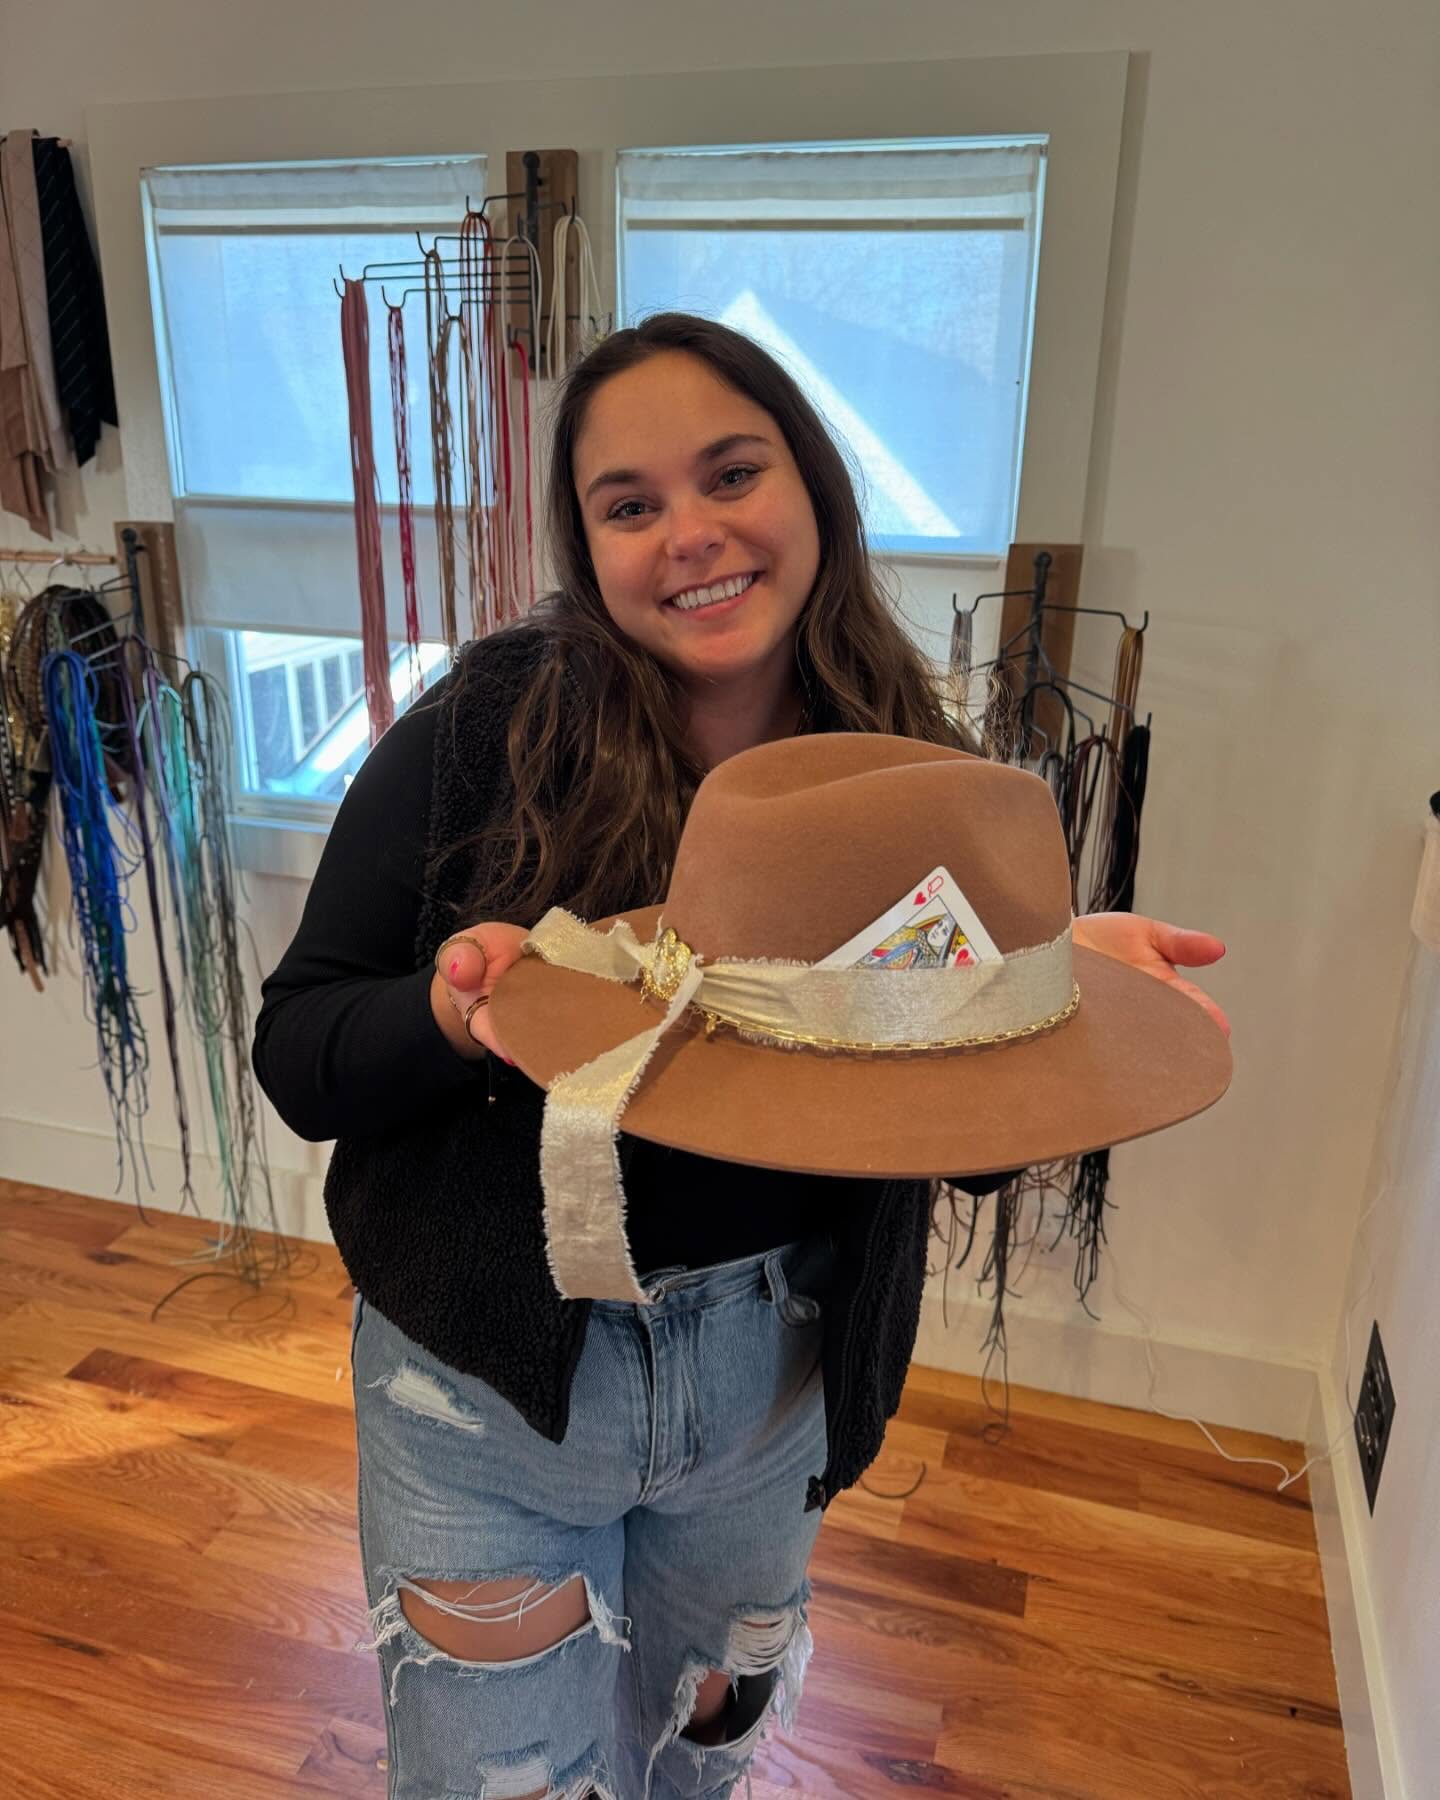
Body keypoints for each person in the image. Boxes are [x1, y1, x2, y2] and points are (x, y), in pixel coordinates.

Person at [252, 312, 1229, 1800]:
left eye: (730, 474)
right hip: (484, 1395)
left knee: (697, 1769)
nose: (690, 534)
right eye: (629, 504)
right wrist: (452, 1017)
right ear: (586, 546)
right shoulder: (485, 733)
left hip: (771, 1386)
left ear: (811, 486)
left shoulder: (902, 765)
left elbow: (953, 1146)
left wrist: (1046, 1014)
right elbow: (300, 1049)